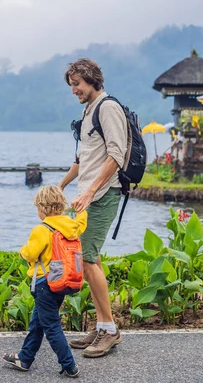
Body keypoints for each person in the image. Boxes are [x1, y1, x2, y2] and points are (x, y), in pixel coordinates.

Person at [58, 58, 128, 358]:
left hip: (102, 196)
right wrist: (59, 187)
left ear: (91, 80)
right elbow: (82, 159)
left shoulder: (108, 107)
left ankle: (110, 330)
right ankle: (102, 326)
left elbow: (117, 154)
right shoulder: (88, 111)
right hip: (88, 198)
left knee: (86, 260)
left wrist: (90, 191)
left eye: (77, 84)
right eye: (72, 85)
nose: (74, 90)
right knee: (92, 259)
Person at [3, 185, 87, 378]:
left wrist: (23, 250)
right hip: (61, 283)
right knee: (38, 323)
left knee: (51, 326)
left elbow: (31, 253)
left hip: (44, 283)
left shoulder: (42, 229)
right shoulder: (70, 225)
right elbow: (82, 224)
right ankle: (24, 358)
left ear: (42, 207)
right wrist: (81, 210)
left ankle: (69, 365)